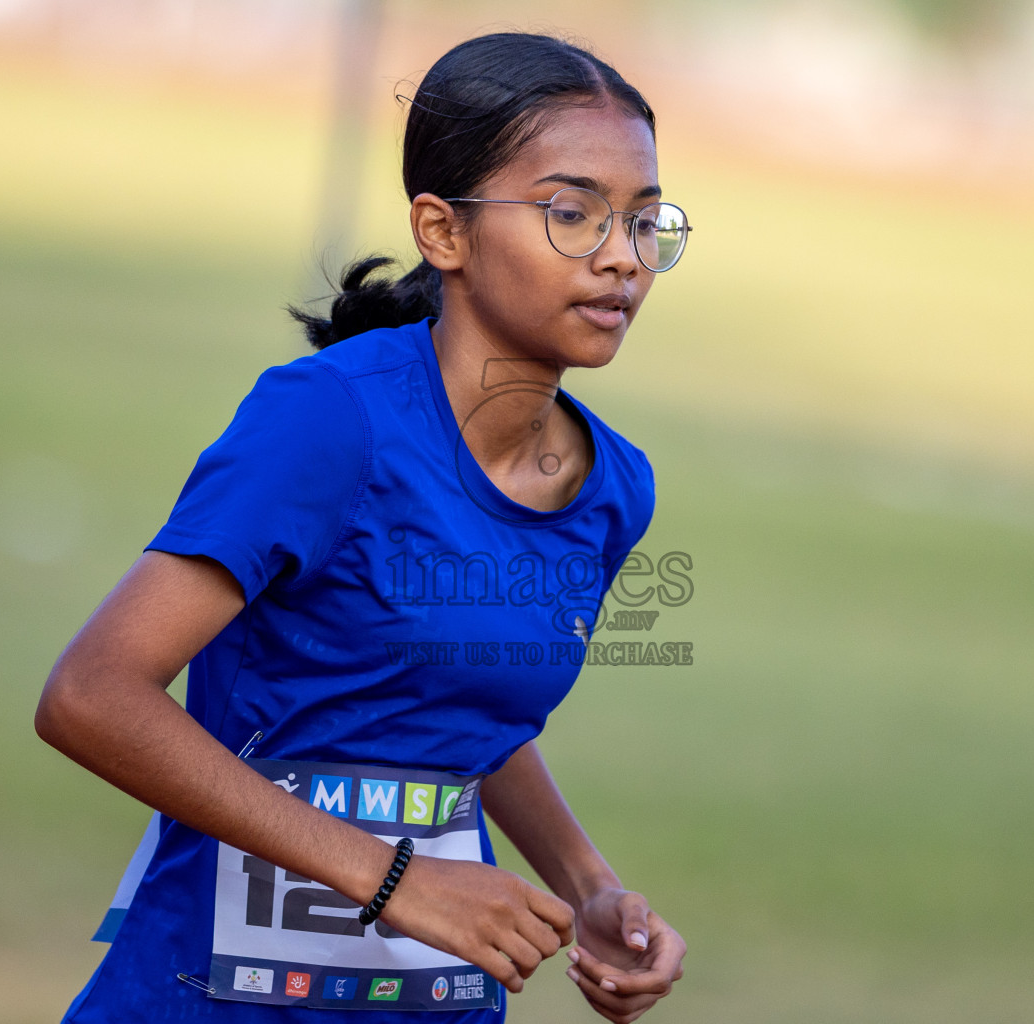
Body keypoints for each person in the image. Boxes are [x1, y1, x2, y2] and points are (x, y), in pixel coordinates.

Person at [35, 30, 690, 1024]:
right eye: (570, 213)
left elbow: (456, 707)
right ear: (444, 231)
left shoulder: (613, 488)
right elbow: (90, 695)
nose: (620, 258)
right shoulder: (328, 419)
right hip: (208, 999)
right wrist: (396, 881)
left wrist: (588, 883)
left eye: (645, 221)